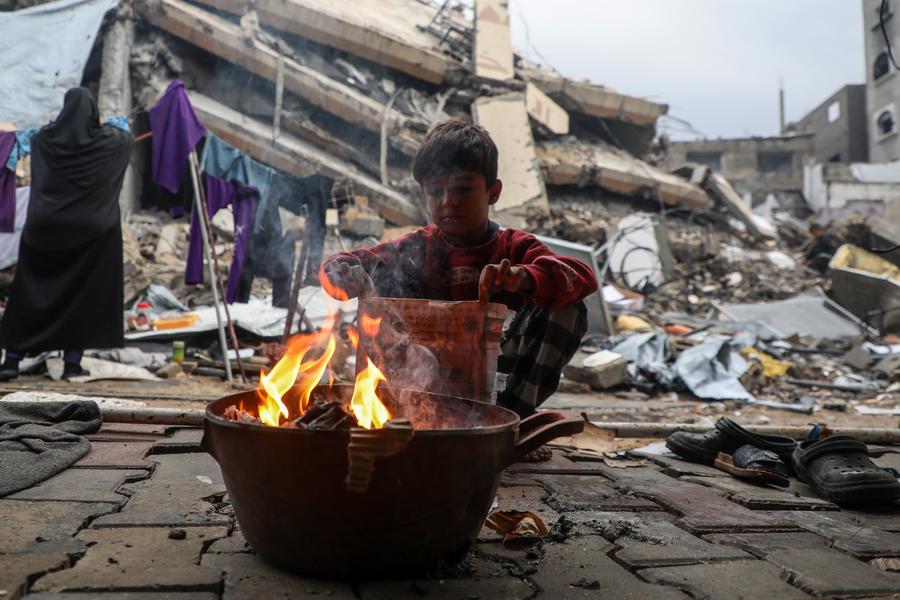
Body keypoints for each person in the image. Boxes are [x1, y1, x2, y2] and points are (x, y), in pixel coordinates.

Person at [320, 120, 598, 418]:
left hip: (495, 384)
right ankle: (398, 413)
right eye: (435, 191)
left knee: (567, 308)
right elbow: (342, 264)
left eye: (463, 189)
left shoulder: (513, 247)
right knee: (383, 277)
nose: (448, 202)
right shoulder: (416, 247)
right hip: (422, 376)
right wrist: (341, 275)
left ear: (493, 192)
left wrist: (524, 278)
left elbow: (581, 277)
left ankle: (507, 420)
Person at [0, 88, 133, 381]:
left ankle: (11, 360)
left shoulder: (43, 140)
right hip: (92, 234)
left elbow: (30, 140)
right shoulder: (112, 143)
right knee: (82, 299)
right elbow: (125, 137)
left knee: (28, 294)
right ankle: (72, 364)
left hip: (44, 230)